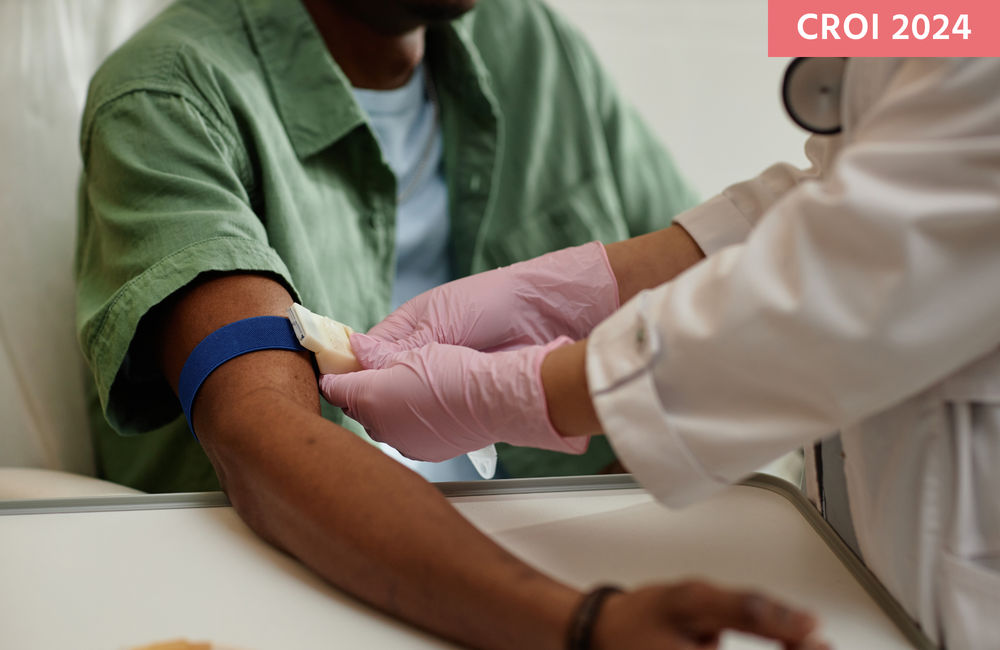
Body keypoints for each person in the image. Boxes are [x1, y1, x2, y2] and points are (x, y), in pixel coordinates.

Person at [75, 0, 831, 647]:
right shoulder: (170, 98)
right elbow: (259, 434)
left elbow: (736, 283)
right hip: (308, 585)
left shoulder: (526, 42)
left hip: (578, 553)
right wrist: (583, 625)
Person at [322, 57, 1000, 649]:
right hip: (877, 551)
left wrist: (528, 392)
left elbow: (871, 266)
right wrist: (597, 283)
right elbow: (848, 184)